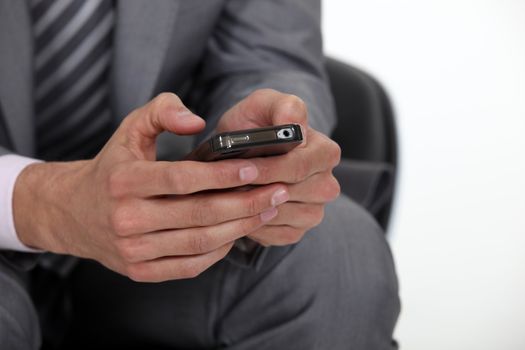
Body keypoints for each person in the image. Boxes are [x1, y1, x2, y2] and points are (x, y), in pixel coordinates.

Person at [0, 0, 400, 349]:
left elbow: (269, 57)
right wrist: (43, 204)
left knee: (340, 256)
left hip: (158, 209)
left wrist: (266, 134)